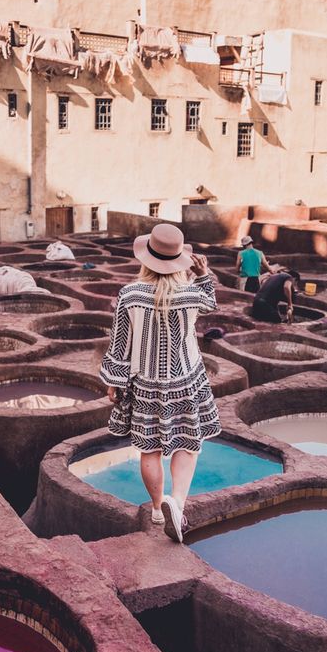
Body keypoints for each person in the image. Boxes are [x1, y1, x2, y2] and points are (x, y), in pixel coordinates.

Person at [100, 224, 221, 544]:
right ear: (179, 260)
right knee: (188, 444)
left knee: (149, 450)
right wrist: (203, 272)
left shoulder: (129, 295)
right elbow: (211, 301)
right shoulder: (192, 294)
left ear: (147, 258)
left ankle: (157, 508)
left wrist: (114, 381)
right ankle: (177, 504)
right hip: (186, 381)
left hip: (145, 384)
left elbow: (119, 344)